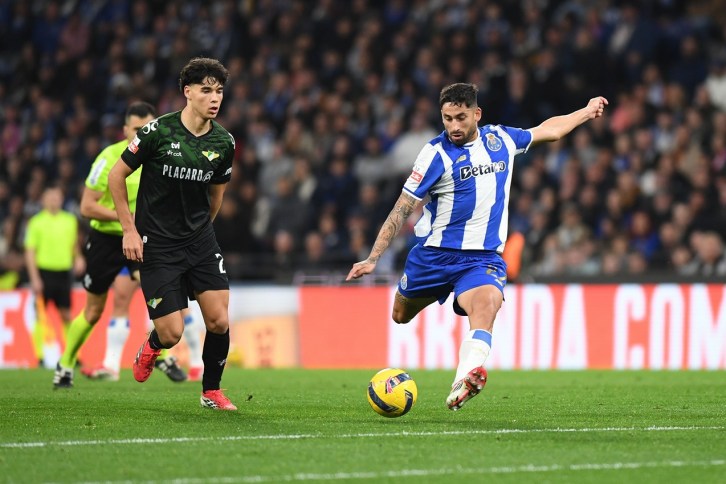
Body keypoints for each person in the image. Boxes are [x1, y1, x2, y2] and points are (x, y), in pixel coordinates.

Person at [347, 83, 607, 411]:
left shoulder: (501, 140)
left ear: (477, 114)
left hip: (482, 259)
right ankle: (444, 320)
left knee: (487, 306)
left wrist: (586, 111)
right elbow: (402, 208)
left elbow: (549, 130)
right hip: (434, 256)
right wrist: (373, 257)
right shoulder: (434, 154)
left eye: (461, 117)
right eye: (447, 119)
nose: (454, 126)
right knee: (400, 315)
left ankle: (463, 381)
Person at [109, 57, 237, 410]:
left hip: (199, 242)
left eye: (219, 91)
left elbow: (216, 196)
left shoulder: (224, 142)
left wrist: (201, 232)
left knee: (219, 320)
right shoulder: (157, 132)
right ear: (187, 92)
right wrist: (129, 231)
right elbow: (116, 176)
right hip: (157, 245)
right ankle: (152, 345)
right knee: (172, 333)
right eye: (206, 90)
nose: (215, 98)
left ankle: (211, 391)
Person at [52, 102, 202, 389]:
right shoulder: (109, 158)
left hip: (143, 238)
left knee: (158, 294)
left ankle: (162, 355)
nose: (142, 133)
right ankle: (65, 364)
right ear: (124, 130)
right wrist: (125, 218)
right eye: (136, 129)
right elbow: (87, 206)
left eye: (147, 128)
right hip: (106, 240)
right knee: (93, 311)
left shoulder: (163, 158)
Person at [25, 185, 83, 367]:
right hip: (44, 272)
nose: (53, 201)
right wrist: (35, 278)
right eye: (50, 197)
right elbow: (30, 252)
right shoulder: (36, 222)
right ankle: (39, 356)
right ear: (43, 200)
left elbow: (74, 245)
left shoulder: (70, 220)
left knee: (66, 315)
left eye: (57, 197)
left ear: (61, 199)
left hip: (63, 272)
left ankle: (72, 355)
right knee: (41, 315)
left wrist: (78, 258)